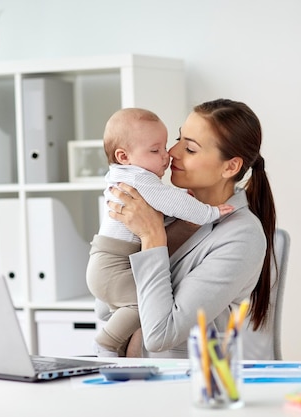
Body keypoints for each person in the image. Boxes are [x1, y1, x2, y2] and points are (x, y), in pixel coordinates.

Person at [100, 98, 277, 358]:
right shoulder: (161, 206)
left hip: (188, 386)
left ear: (230, 166)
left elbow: (161, 335)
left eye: (190, 149)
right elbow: (105, 309)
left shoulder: (242, 236)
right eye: (179, 139)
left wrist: (152, 237)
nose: (172, 152)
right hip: (129, 377)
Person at [86, 107, 234, 357]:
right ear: (123, 156)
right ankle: (106, 343)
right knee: (141, 303)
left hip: (106, 261)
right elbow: (175, 202)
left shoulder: (124, 175)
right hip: (113, 263)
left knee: (136, 305)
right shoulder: (139, 179)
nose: (167, 156)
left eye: (166, 146)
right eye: (156, 150)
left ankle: (115, 346)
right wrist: (210, 213)